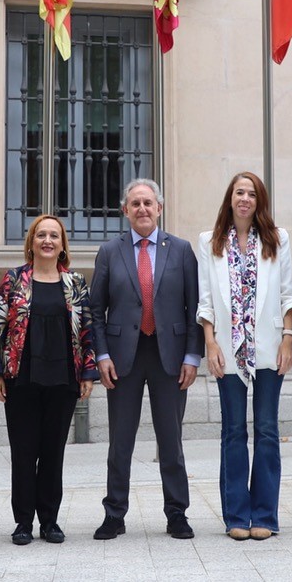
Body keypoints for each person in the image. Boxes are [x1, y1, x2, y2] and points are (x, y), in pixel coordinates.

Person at [90, 178, 203, 540]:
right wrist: (102, 354)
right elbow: (95, 309)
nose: (142, 209)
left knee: (171, 440)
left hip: (170, 357)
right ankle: (114, 514)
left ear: (160, 208)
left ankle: (177, 513)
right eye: (135, 204)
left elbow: (195, 306)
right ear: (125, 211)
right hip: (123, 357)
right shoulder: (110, 251)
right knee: (120, 441)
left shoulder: (181, 250)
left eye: (148, 203)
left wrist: (192, 355)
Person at [196, 171, 292, 541]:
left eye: (252, 194)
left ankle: (265, 516)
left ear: (259, 201)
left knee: (267, 430)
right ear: (230, 198)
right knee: (233, 431)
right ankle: (237, 515)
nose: (245, 199)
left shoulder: (277, 239)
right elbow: (206, 301)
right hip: (228, 349)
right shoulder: (209, 242)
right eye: (239, 192)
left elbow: (288, 295)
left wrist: (288, 340)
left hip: (269, 347)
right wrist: (210, 344)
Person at [0, 214, 99, 545]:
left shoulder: (75, 282)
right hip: (21, 377)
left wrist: (88, 372)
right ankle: (23, 522)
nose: (47, 240)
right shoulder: (13, 279)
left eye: (54, 236)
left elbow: (87, 329)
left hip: (64, 378)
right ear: (31, 242)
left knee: (53, 452)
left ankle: (49, 521)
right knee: (23, 453)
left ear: (62, 245)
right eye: (41, 235)